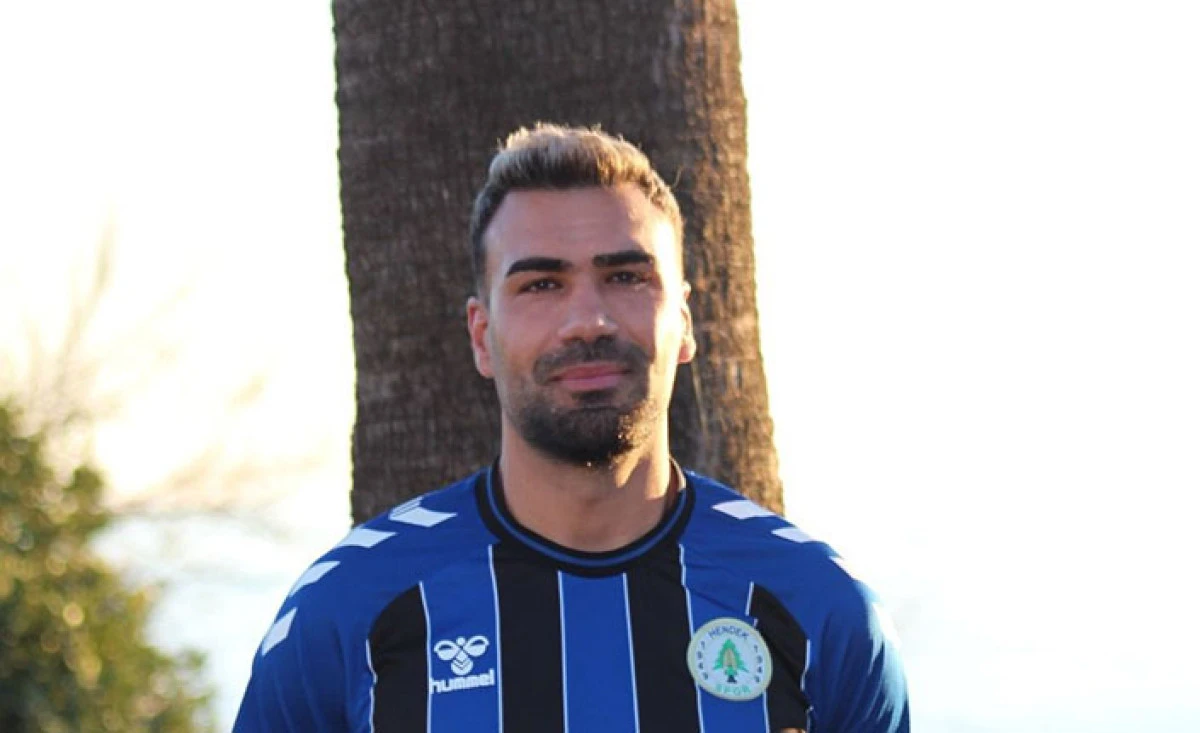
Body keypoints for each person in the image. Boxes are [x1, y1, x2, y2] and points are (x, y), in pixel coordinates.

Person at [234, 124, 909, 732]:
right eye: (541, 285)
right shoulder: (351, 606)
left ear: (683, 322)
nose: (588, 320)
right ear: (481, 335)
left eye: (626, 276)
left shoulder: (818, 607)